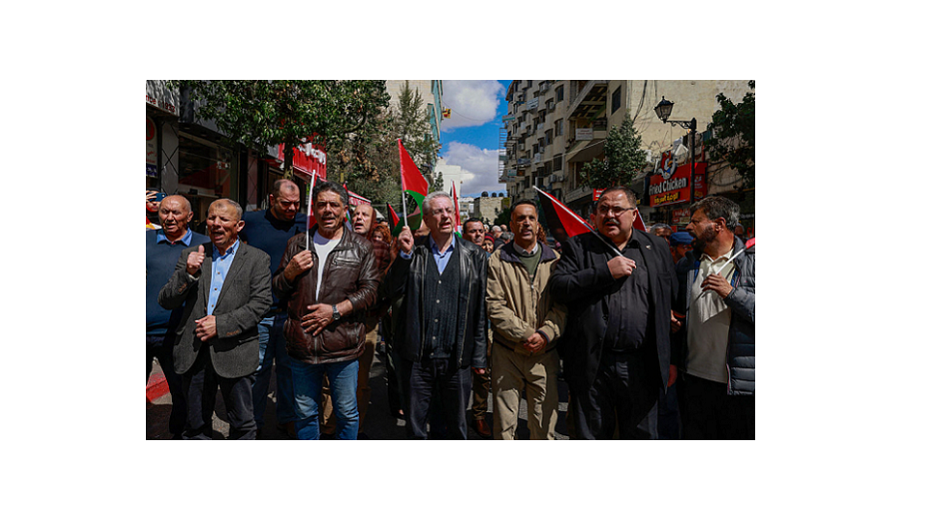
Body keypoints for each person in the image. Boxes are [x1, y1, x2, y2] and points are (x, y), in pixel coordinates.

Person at [549, 187, 677, 439]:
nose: (609, 215)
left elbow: (671, 298)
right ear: (595, 215)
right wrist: (604, 272)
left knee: (641, 436)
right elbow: (559, 288)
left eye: (617, 209)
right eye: (603, 209)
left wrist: (671, 357)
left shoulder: (656, 247)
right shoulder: (579, 247)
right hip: (593, 364)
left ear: (634, 214)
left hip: (642, 364)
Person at [271, 181, 380, 440]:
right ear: (314, 209)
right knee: (304, 411)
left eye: (334, 205)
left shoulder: (361, 247)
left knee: (346, 412)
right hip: (302, 345)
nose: (327, 210)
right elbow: (277, 288)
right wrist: (290, 272)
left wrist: (336, 311)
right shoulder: (298, 244)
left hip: (343, 346)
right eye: (321, 205)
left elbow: (371, 291)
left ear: (345, 210)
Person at [158, 199, 272, 440]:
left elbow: (261, 304)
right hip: (194, 352)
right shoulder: (192, 254)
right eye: (211, 218)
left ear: (239, 225)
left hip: (235, 351)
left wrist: (220, 325)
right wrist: (188, 274)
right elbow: (166, 300)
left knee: (242, 423)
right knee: (195, 425)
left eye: (224, 219)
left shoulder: (257, 259)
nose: (216, 224)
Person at [381, 191, 488, 439]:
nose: (445, 216)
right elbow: (389, 290)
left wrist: (479, 356)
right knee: (416, 427)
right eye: (438, 212)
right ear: (427, 219)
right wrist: (403, 256)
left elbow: (479, 310)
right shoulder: (413, 250)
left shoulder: (474, 255)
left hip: (456, 358)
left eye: (449, 211)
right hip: (417, 358)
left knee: (455, 427)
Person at [674, 196, 755, 439]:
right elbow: (677, 310)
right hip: (693, 381)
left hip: (738, 386)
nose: (689, 227)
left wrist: (732, 294)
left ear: (719, 224)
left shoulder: (753, 263)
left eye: (696, 221)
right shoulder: (687, 265)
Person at [486, 199, 566, 439]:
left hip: (544, 354)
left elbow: (562, 306)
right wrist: (527, 334)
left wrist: (545, 334)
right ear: (512, 225)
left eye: (531, 218)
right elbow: (494, 306)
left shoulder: (555, 260)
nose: (526, 223)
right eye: (520, 218)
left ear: (538, 223)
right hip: (507, 354)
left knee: (544, 426)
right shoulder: (497, 259)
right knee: (505, 427)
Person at [240, 179, 307, 438]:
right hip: (259, 314)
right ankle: (253, 423)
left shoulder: (305, 224)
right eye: (286, 203)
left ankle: (287, 419)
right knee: (257, 371)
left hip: (292, 314)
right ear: (271, 199)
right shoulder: (250, 221)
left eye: (296, 204)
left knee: (289, 372)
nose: (292, 209)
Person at [319, 202, 390, 439]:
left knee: (360, 379)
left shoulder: (381, 249)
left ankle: (355, 430)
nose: (359, 218)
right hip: (336, 321)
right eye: (356, 214)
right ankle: (328, 429)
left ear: (373, 221)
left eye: (364, 215)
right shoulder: (336, 244)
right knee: (330, 378)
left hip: (366, 323)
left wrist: (377, 312)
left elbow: (383, 286)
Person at [146, 195, 210, 438]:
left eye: (176, 212)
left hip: (180, 335)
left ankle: (178, 436)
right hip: (143, 331)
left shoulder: (205, 244)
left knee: (183, 394)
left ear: (190, 216)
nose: (170, 217)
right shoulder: (143, 240)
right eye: (165, 212)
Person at [462, 217, 492, 437]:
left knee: (483, 374)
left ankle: (479, 415)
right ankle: (455, 415)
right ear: (464, 235)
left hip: (487, 325)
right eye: (473, 231)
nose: (478, 235)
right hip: (463, 325)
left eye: (480, 231)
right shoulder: (457, 258)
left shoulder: (494, 260)